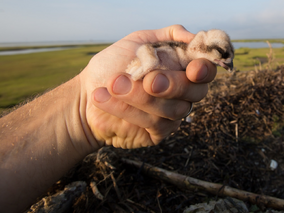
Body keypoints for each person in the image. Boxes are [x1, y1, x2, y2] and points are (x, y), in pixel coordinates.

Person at [0, 25, 217, 212]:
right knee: (150, 70)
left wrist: (82, 114)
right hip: (145, 65)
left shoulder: (185, 55)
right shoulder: (171, 52)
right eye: (222, 56)